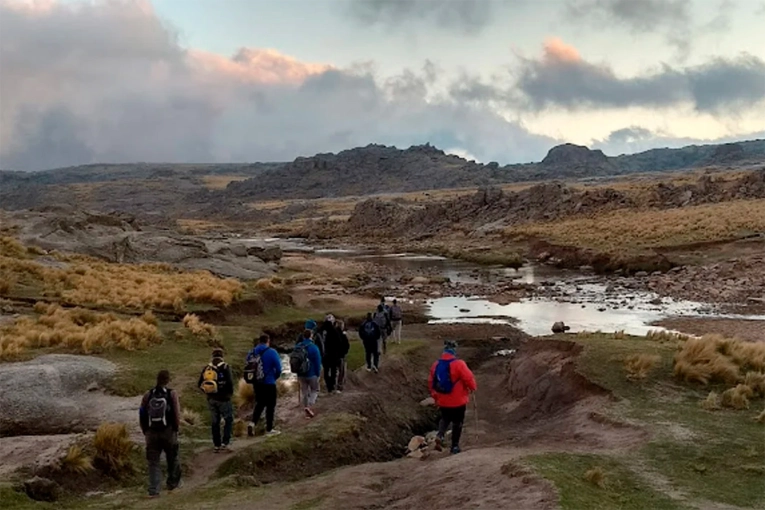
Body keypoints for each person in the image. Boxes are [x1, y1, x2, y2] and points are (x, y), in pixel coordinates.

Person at [429, 340, 477, 455]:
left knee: (445, 418)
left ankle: (440, 435)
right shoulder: (459, 364)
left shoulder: (436, 364)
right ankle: (454, 446)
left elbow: (431, 382)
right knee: (457, 422)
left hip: (443, 399)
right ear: (454, 351)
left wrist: (435, 396)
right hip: (458, 400)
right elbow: (468, 378)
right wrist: (473, 388)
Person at [139, 370, 182, 497]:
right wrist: (176, 428)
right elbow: (176, 414)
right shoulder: (171, 394)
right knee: (172, 458)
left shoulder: (148, 395)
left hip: (151, 433)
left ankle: (154, 490)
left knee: (153, 462)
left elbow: (142, 413)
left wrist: (145, 430)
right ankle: (172, 485)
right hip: (168, 432)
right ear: (168, 380)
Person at [198, 348, 234, 452]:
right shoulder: (225, 367)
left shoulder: (207, 368)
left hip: (211, 399)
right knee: (228, 420)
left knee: (215, 422)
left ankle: (216, 445)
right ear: (222, 356)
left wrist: (207, 393)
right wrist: (229, 394)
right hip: (224, 399)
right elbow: (230, 383)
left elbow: (199, 383)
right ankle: (225, 443)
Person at [246, 334, 283, 437]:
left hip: (257, 383)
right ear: (268, 341)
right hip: (269, 382)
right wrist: (274, 377)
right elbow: (279, 368)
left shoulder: (251, 352)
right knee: (271, 405)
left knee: (260, 403)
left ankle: (252, 423)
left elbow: (248, 365)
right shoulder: (272, 352)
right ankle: (269, 429)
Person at [291, 329, 322, 417]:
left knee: (305, 392)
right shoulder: (314, 347)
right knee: (315, 389)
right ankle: (310, 405)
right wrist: (318, 374)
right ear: (311, 336)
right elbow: (317, 362)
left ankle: (306, 407)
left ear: (303, 336)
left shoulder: (297, 346)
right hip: (311, 373)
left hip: (300, 373)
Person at [319, 314, 343, 393]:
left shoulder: (320, 330)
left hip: (323, 354)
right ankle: (332, 387)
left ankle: (328, 386)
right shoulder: (334, 330)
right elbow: (339, 343)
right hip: (333, 354)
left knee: (326, 371)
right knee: (333, 371)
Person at [335, 320, 351, 392]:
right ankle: (339, 386)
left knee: (334, 371)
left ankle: (332, 386)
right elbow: (347, 345)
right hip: (341, 356)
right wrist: (344, 353)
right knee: (341, 372)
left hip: (332, 356)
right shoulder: (343, 335)